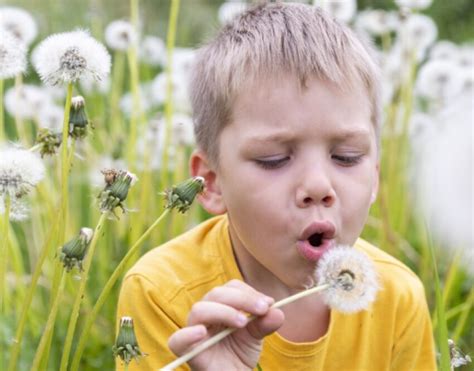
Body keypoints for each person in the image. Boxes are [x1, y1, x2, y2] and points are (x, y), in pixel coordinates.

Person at [117, 2, 436, 370]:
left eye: (347, 156)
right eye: (274, 159)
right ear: (211, 183)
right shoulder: (163, 292)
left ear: (375, 178)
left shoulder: (397, 298)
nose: (318, 186)